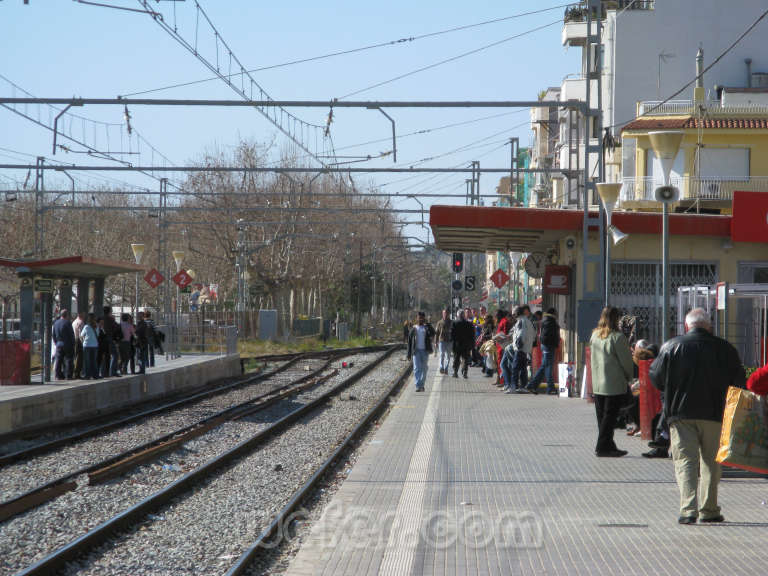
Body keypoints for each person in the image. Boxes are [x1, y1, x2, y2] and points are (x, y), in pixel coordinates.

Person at [650, 308, 745, 524]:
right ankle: (709, 510)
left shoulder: (671, 346)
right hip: (714, 414)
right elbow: (739, 381)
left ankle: (688, 510)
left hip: (680, 415)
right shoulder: (725, 349)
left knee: (685, 461)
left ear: (686, 326)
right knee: (711, 462)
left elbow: (655, 377)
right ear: (709, 326)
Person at [590, 306, 634, 457]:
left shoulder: (595, 335)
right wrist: (629, 376)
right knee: (610, 417)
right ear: (616, 319)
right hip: (613, 383)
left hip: (597, 382)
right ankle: (602, 447)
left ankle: (609, 445)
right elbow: (626, 361)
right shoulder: (617, 337)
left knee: (602, 417)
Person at [502, 306, 535, 394]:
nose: (513, 315)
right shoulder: (527, 321)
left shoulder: (521, 321)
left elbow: (521, 334)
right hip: (525, 348)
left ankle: (513, 386)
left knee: (515, 367)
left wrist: (518, 345)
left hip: (521, 348)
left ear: (517, 313)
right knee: (523, 368)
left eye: (514, 313)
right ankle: (523, 386)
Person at [527, 308, 560, 395]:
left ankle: (532, 385)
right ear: (553, 313)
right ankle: (550, 388)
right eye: (556, 312)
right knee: (548, 367)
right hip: (548, 347)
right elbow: (547, 336)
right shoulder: (550, 321)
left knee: (544, 367)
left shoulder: (546, 320)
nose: (557, 314)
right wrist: (551, 344)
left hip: (546, 346)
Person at [406, 311, 435, 392]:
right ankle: (418, 386)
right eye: (419, 317)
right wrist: (408, 354)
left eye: (422, 318)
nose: (420, 319)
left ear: (424, 318)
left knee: (424, 368)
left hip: (425, 351)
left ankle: (422, 384)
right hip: (416, 351)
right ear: (417, 318)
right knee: (416, 368)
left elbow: (433, 333)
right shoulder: (414, 328)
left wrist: (428, 323)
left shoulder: (426, 327)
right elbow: (409, 342)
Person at [52, 309, 75, 380]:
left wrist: (57, 342)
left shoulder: (56, 323)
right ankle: (68, 375)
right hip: (67, 344)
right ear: (66, 315)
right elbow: (71, 334)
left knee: (59, 360)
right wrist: (73, 343)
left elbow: (54, 335)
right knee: (68, 359)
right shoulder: (67, 323)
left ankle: (58, 375)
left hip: (59, 344)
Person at [451, 310, 474, 379]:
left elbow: (452, 334)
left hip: (457, 344)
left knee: (456, 358)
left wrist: (452, 343)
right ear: (464, 315)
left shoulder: (454, 323)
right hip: (466, 344)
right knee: (465, 358)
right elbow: (472, 335)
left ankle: (455, 372)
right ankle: (465, 372)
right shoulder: (469, 324)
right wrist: (472, 344)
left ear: (458, 315)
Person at [80, 313, 100, 379]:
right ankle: (95, 375)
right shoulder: (96, 326)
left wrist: (83, 341)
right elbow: (98, 334)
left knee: (87, 361)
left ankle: (87, 375)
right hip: (94, 345)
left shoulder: (86, 326)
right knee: (94, 361)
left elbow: (81, 335)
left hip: (87, 345)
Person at [434, 308, 453, 375]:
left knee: (448, 356)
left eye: (446, 313)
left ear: (448, 314)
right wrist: (435, 342)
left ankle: (446, 368)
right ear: (442, 314)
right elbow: (437, 333)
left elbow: (454, 332)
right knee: (441, 354)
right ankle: (441, 367)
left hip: (449, 341)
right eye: (444, 313)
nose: (445, 314)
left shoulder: (451, 322)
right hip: (441, 340)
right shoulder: (439, 322)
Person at [103, 306, 121, 376]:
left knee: (104, 356)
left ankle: (104, 372)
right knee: (115, 355)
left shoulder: (101, 318)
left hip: (102, 339)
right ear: (109, 311)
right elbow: (116, 327)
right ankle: (112, 371)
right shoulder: (110, 319)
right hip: (109, 338)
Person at [72, 312, 85, 379]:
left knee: (75, 357)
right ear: (81, 315)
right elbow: (81, 334)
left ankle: (74, 373)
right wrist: (83, 343)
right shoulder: (81, 322)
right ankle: (77, 373)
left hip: (74, 340)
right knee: (79, 358)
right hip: (79, 341)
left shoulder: (74, 322)